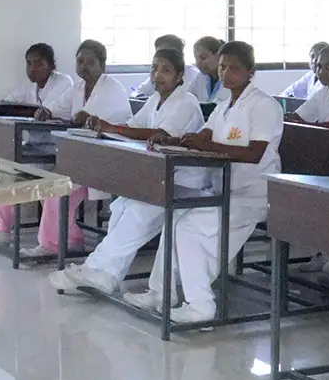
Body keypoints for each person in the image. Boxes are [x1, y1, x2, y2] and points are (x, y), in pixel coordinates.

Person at [140, 40, 284, 325]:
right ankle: (161, 292)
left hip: (252, 194)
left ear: (250, 72)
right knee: (175, 219)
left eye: (234, 68)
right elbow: (204, 137)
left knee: (191, 229)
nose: (226, 73)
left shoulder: (263, 106)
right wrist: (170, 140)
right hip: (221, 190)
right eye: (222, 67)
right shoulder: (223, 105)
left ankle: (201, 305)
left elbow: (255, 154)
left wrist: (211, 147)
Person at [51, 47, 210, 298]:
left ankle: (94, 268)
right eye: (154, 68)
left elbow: (159, 133)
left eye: (166, 70)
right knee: (121, 206)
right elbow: (132, 127)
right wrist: (105, 127)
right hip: (158, 177)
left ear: (180, 76)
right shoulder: (155, 100)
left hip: (183, 181)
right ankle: (107, 275)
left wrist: (113, 127)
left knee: (138, 212)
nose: (158, 75)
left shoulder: (186, 102)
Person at [23, 39, 132, 258]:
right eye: (80, 61)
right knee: (52, 188)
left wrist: (73, 116)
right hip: (84, 157)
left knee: (57, 190)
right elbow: (56, 109)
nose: (84, 66)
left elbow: (83, 117)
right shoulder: (78, 87)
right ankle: (69, 239)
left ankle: (55, 244)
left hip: (111, 159)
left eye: (90, 62)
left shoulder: (111, 87)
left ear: (102, 65)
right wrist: (45, 112)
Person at [8, 42, 80, 121]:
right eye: (29, 63)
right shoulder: (29, 85)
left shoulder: (63, 81)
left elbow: (47, 110)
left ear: (51, 66)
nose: (32, 69)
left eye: (38, 64)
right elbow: (8, 102)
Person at [127, 34, 186, 99]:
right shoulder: (156, 77)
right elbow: (136, 94)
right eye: (158, 52)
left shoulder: (191, 75)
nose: (157, 74)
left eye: (166, 70)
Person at [189, 35, 223, 103]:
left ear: (218, 56)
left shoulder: (230, 79)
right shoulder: (200, 77)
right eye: (196, 59)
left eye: (203, 58)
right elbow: (188, 100)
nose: (198, 63)